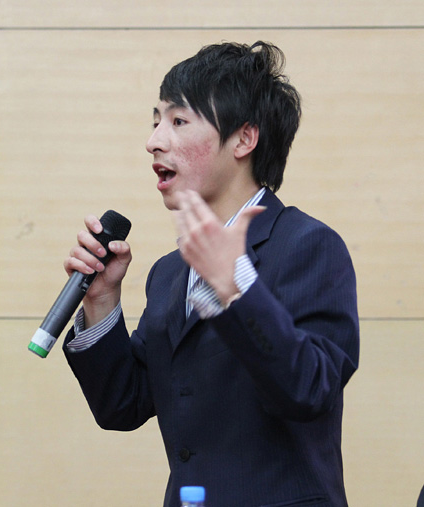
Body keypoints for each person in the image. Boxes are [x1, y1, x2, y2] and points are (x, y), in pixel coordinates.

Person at [63, 41, 359, 507]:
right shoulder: (169, 272)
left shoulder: (309, 246)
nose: (154, 141)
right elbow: (122, 405)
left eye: (178, 121)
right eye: (156, 121)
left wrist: (234, 286)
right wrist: (101, 300)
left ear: (243, 139)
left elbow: (310, 389)